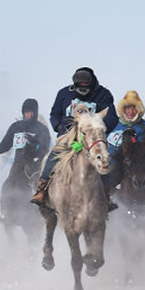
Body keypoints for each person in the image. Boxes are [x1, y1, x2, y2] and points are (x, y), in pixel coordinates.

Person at [31, 67, 116, 205]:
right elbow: (55, 114)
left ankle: (106, 196)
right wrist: (58, 126)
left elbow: (112, 116)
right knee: (54, 156)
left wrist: (99, 129)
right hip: (68, 136)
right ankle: (42, 190)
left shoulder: (103, 94)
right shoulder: (64, 93)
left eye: (86, 86)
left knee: (104, 158)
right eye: (79, 86)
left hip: (92, 137)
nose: (83, 89)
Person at [0, 98, 51, 221]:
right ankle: (5, 212)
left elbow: (45, 148)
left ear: (35, 113)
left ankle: (45, 214)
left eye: (30, 112)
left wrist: (34, 148)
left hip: (35, 165)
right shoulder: (16, 127)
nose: (28, 115)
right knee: (7, 185)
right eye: (25, 112)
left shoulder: (41, 129)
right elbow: (6, 144)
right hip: (18, 164)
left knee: (40, 187)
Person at [104, 91, 145, 205]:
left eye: (134, 109)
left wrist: (130, 144)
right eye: (128, 109)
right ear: (123, 110)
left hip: (134, 162)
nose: (131, 112)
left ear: (138, 110)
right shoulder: (114, 124)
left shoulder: (143, 127)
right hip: (110, 160)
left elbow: (144, 147)